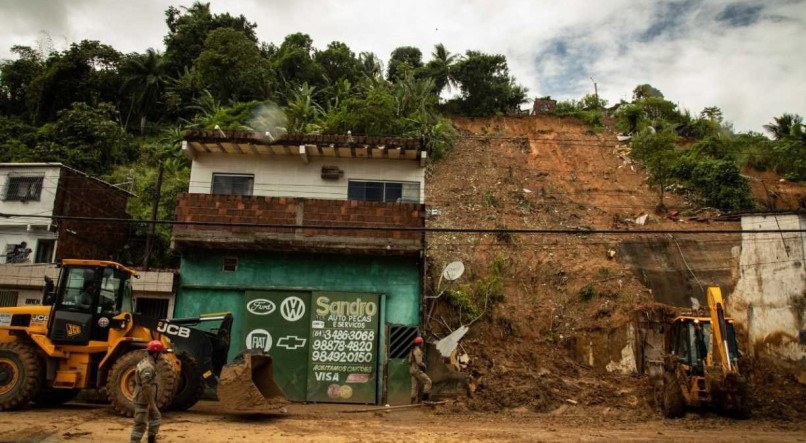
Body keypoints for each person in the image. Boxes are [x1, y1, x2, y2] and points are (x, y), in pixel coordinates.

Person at [131, 340, 164, 443]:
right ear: (155, 353)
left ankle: (151, 439)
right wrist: (152, 404)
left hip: (146, 398)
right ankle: (134, 441)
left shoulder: (147, 362)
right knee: (140, 422)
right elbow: (146, 386)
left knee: (156, 417)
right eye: (160, 353)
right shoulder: (148, 367)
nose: (161, 355)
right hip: (143, 399)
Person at [408, 336, 432, 403]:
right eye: (422, 343)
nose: (422, 344)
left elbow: (409, 361)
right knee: (428, 381)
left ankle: (412, 402)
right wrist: (424, 365)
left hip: (412, 370)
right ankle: (425, 399)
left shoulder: (412, 351)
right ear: (419, 343)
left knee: (414, 387)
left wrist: (413, 365)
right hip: (417, 370)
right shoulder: (418, 351)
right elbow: (419, 362)